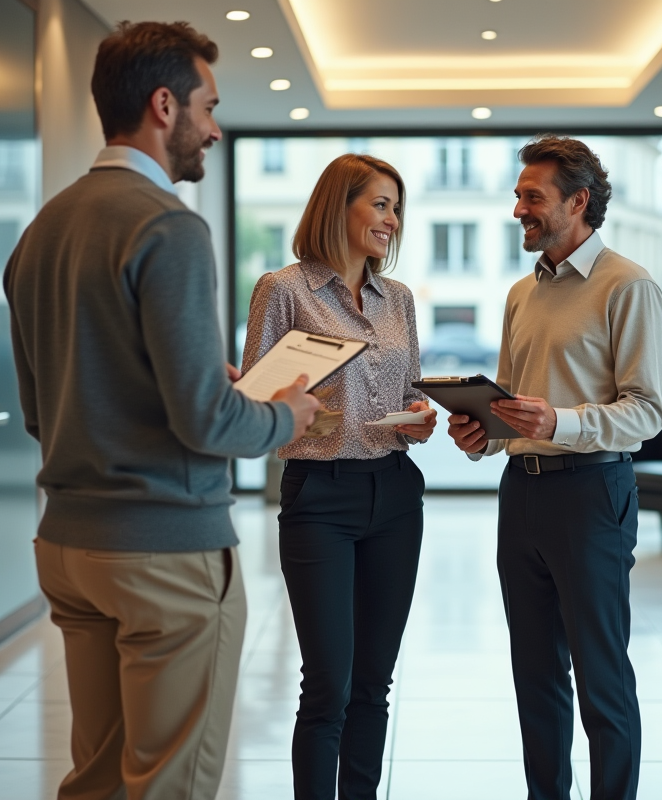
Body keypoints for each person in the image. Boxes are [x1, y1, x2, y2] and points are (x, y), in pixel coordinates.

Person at [3, 21, 320, 800]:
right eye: (208, 107)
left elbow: (46, 410)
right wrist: (286, 415)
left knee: (99, 778)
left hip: (70, 547)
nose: (214, 130)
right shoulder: (169, 226)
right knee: (169, 782)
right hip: (165, 556)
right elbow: (208, 423)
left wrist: (191, 382)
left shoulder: (43, 230)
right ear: (164, 106)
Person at [446, 135, 662, 800]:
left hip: (593, 494)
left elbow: (648, 411)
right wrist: (479, 435)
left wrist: (560, 423)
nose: (518, 209)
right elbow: (511, 405)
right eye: (518, 196)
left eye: (532, 196)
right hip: (522, 496)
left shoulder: (628, 285)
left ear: (578, 202)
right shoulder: (521, 293)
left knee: (601, 677)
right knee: (536, 676)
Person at [241, 153, 437, 800]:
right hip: (318, 496)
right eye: (380, 204)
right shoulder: (283, 290)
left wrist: (419, 416)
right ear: (338, 207)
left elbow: (409, 392)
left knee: (373, 684)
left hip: (396, 493)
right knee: (329, 683)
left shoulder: (398, 299)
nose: (392, 220)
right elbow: (255, 407)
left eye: (396, 208)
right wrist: (293, 414)